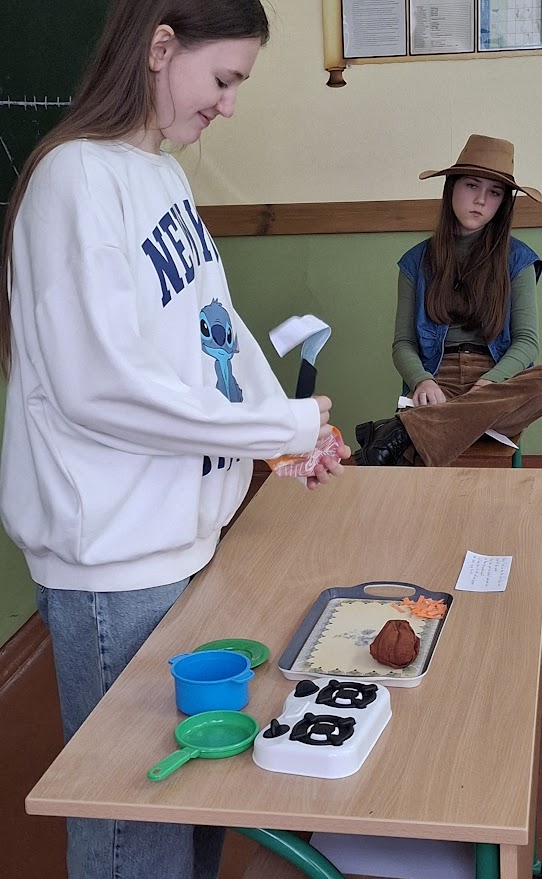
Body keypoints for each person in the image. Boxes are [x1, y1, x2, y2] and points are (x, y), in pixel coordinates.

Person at [0, 2, 349, 877]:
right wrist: (278, 424)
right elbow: (100, 387)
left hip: (186, 543)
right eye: (223, 78)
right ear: (160, 48)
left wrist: (284, 438)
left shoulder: (159, 174)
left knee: (191, 795)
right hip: (115, 566)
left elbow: (213, 329)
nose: (228, 104)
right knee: (136, 830)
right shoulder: (75, 178)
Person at [354, 134, 542, 468]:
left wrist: (489, 384)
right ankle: (432, 428)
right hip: (438, 383)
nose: (481, 200)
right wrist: (422, 380)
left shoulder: (519, 259)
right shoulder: (415, 261)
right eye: (471, 186)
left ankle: (404, 432)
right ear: (451, 187)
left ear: (503, 203)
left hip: (496, 387)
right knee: (429, 455)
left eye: (494, 192)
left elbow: (527, 342)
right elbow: (403, 343)